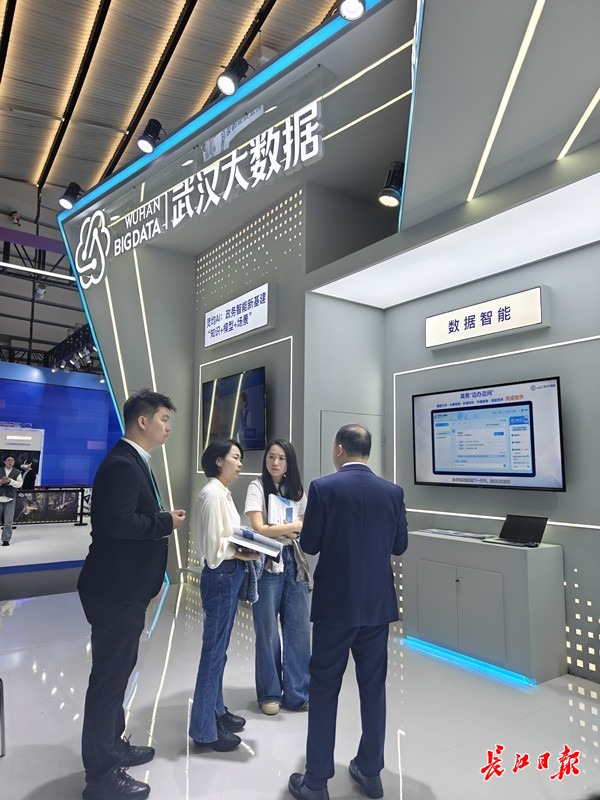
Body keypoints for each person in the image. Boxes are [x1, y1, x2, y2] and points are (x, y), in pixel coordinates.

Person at [288, 424, 408, 800]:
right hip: (376, 607)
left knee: (324, 689)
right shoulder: (393, 492)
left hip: (334, 607)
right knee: (373, 689)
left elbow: (310, 544)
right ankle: (370, 772)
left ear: (339, 449)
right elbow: (400, 545)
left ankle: (316, 782)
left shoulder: (323, 488)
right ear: (367, 451)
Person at [77, 389, 186, 800]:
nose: (168, 427)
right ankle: (101, 777)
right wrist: (164, 522)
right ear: (142, 421)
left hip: (125, 589)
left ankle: (113, 746)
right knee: (108, 681)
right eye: (163, 419)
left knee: (119, 674)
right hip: (114, 591)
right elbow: (118, 524)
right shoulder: (123, 464)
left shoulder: (134, 461)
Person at [189, 438, 260, 752]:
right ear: (218, 460)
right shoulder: (213, 495)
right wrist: (241, 552)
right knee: (214, 653)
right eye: (235, 457)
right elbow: (214, 548)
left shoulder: (221, 493)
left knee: (219, 651)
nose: (240, 463)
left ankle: (216, 711)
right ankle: (204, 729)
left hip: (226, 575)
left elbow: (223, 538)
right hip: (221, 576)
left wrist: (243, 548)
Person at [244, 438, 311, 715]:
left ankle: (298, 693)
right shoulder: (257, 486)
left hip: (294, 561)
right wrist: (289, 527)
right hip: (267, 562)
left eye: (281, 458)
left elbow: (304, 525)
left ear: (289, 463)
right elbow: (258, 527)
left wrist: (285, 528)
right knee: (267, 631)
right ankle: (269, 693)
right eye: (271, 456)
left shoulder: (297, 490)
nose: (275, 462)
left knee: (299, 629)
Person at [0, 454, 23, 546]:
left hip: (10, 498)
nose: (10, 462)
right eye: (8, 460)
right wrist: (1, 482)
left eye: (12, 460)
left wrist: (10, 481)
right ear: (4, 461)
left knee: (8, 520)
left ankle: (6, 539)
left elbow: (19, 484)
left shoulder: (17, 472)